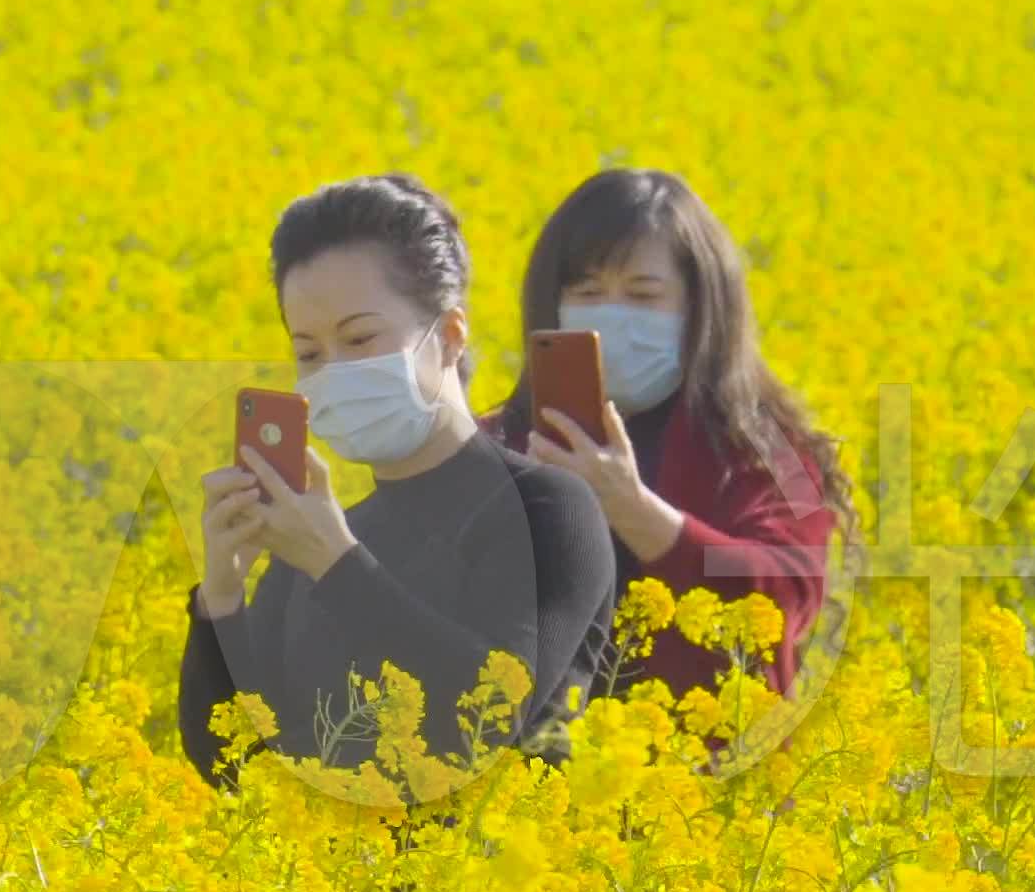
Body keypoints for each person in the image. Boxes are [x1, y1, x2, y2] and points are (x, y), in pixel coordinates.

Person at [179, 175, 616, 789]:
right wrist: (221, 597)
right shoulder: (322, 540)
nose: (334, 372)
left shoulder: (545, 508)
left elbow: (489, 718)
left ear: (450, 336)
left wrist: (337, 565)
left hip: (493, 879)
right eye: (309, 353)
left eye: (360, 339)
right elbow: (228, 765)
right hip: (323, 883)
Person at [487, 169, 851, 703]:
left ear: (702, 307)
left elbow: (791, 592)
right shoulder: (496, 440)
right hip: (534, 776)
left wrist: (631, 508)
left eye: (642, 295)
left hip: (705, 774)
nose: (611, 315)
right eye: (588, 292)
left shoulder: (775, 444)